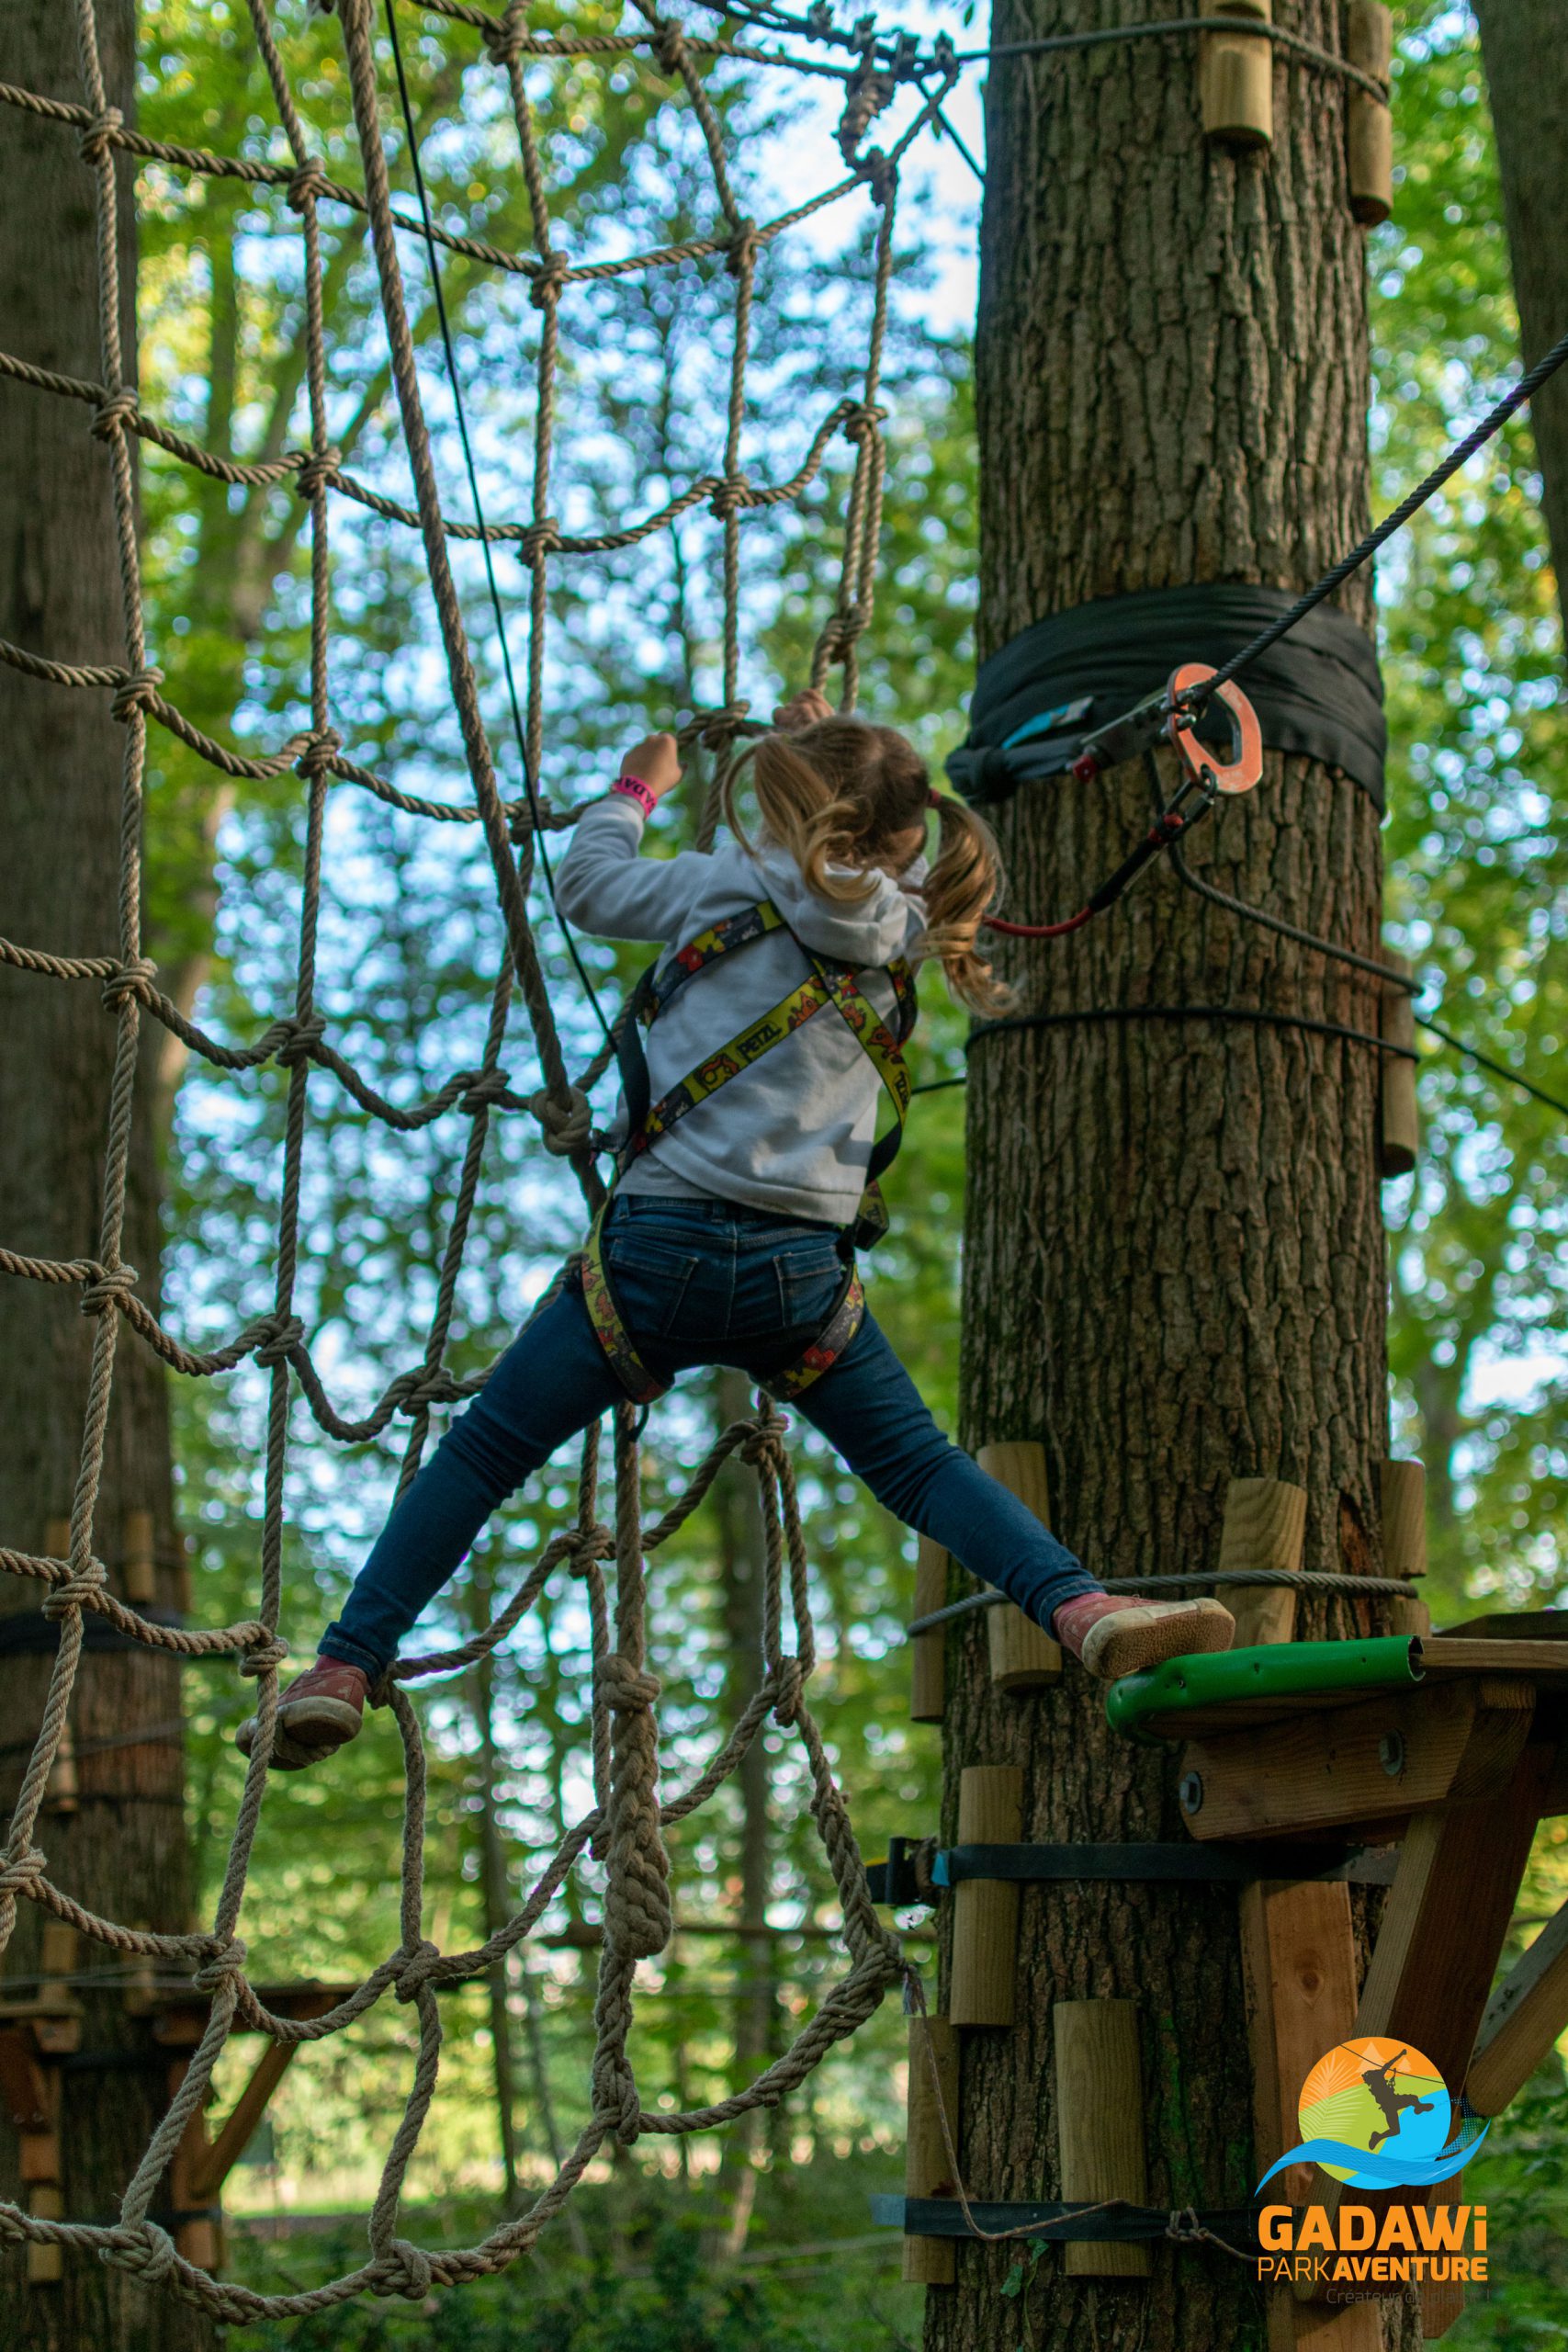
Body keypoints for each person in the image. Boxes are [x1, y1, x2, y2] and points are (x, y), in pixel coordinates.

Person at [238, 690, 1233, 1770]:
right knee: (920, 1467)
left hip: (650, 1264)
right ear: (902, 836)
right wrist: (834, 740)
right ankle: (1080, 1607)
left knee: (480, 1455)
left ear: (787, 808)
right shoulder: (901, 924)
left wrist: (637, 790)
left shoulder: (725, 882)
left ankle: (346, 1661)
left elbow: (587, 886)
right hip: (796, 1282)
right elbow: (864, 840)